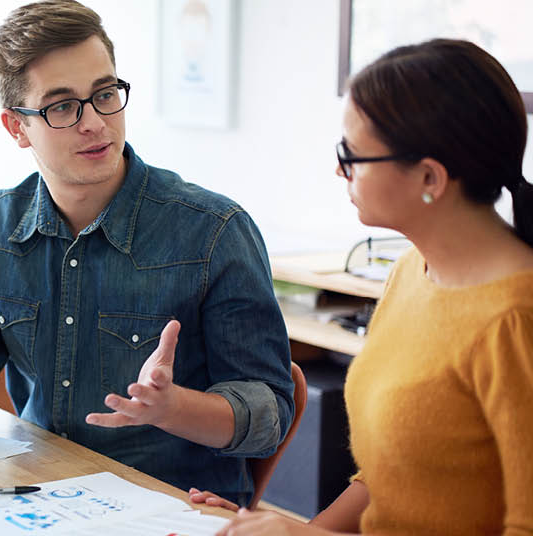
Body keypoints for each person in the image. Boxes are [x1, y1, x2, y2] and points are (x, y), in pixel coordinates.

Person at [0, 0, 294, 503]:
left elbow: (270, 415)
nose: (95, 123)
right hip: (38, 501)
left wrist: (172, 408)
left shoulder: (214, 231)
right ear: (17, 127)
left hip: (169, 508)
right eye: (62, 106)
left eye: (105, 94)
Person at [196, 39, 533, 535]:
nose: (339, 169)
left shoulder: (514, 320)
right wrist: (287, 529)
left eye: (350, 154)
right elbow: (389, 479)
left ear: (430, 177)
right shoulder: (411, 272)